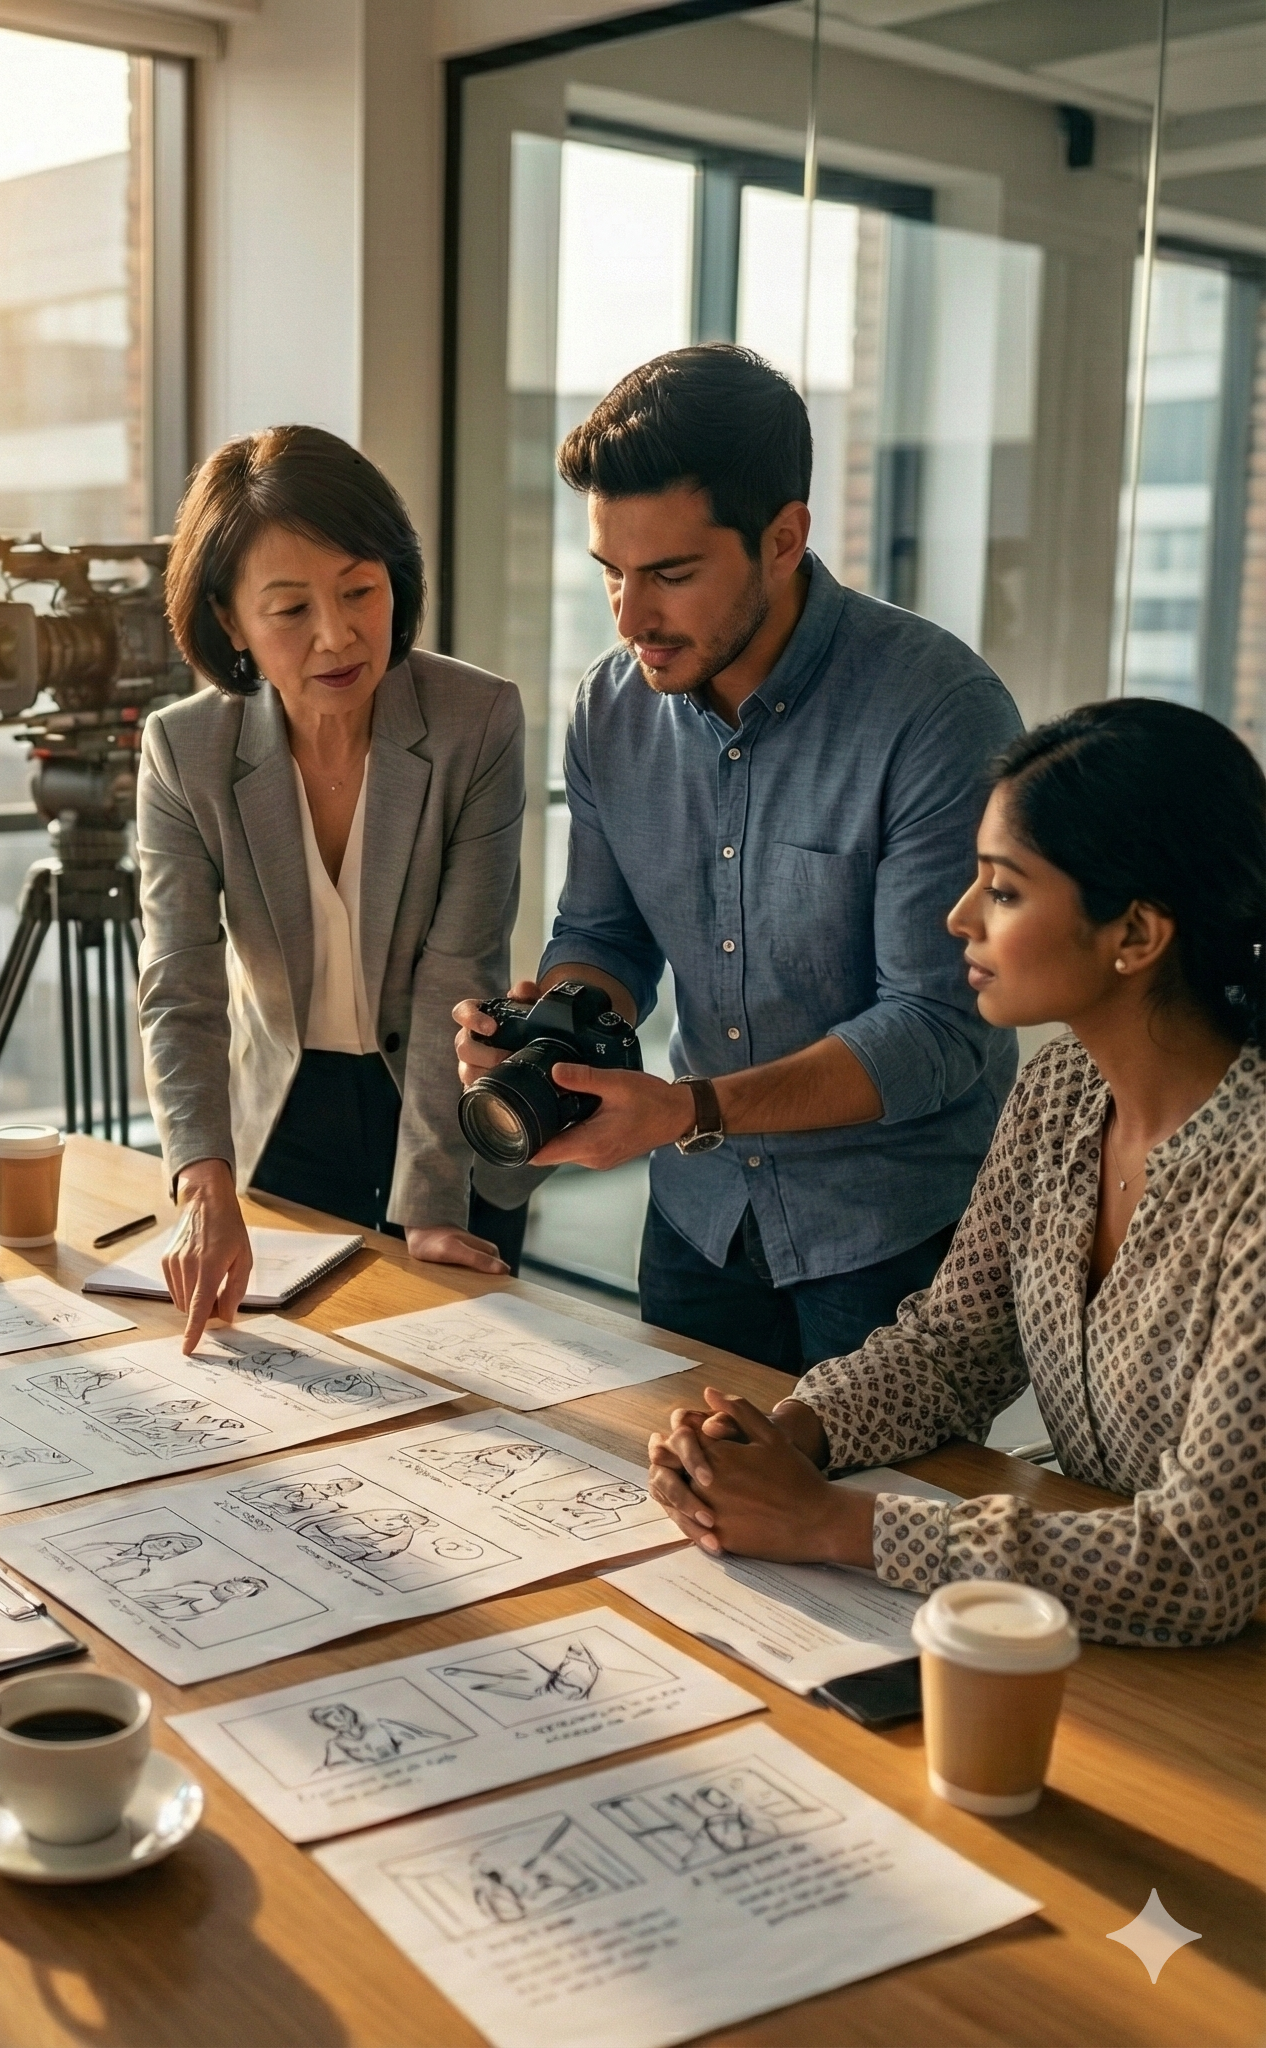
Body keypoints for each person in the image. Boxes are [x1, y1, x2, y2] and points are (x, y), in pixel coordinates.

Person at [646, 700, 1266, 1647]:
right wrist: (791, 1434)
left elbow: (1197, 1562)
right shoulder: (1062, 1090)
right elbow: (953, 1348)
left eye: (1005, 891)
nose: (959, 916)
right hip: (1082, 1643)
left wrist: (832, 1524)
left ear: (1135, 935)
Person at [456, 345, 1024, 1371]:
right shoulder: (609, 704)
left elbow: (936, 1024)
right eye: (610, 575)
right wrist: (554, 1034)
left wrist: (689, 1109)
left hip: (891, 1235)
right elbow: (602, 937)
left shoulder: (934, 710)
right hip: (698, 1219)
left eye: (669, 575)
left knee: (864, 1521)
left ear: (781, 538)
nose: (630, 618)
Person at [142, 424, 535, 1348]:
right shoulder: (185, 751)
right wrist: (203, 1185)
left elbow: (460, 972)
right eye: (289, 609)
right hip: (283, 1117)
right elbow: (182, 988)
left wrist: (433, 1205)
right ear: (230, 621)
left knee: (456, 1383)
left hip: (444, 1108)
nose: (337, 634)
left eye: (360, 589)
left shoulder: (476, 720)